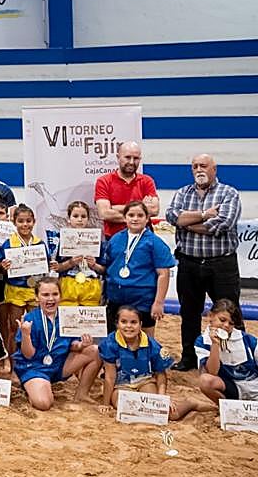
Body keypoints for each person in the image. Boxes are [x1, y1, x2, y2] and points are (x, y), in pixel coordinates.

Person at [164, 153, 243, 371]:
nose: (199, 169)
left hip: (221, 265)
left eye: (204, 166)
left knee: (230, 312)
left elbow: (222, 224)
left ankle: (236, 358)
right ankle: (189, 358)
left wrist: (187, 223)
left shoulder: (228, 193)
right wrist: (204, 214)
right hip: (188, 264)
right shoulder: (183, 192)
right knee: (188, 313)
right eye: (195, 166)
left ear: (214, 169)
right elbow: (172, 217)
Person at [13, 278, 102, 410]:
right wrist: (25, 334)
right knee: (44, 404)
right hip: (35, 368)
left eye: (55, 294)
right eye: (45, 295)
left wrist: (82, 344)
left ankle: (81, 394)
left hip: (58, 365)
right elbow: (28, 355)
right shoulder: (29, 319)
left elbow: (73, 345)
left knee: (95, 350)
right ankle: (33, 388)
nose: (51, 299)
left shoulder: (67, 316)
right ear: (37, 297)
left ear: (61, 296)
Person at [98, 305, 197, 420]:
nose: (129, 326)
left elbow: (160, 374)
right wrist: (105, 403)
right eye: (124, 322)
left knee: (162, 413)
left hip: (145, 382)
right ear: (117, 324)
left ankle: (191, 403)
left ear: (140, 324)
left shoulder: (152, 344)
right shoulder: (109, 343)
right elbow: (110, 377)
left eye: (133, 322)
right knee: (130, 410)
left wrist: (162, 399)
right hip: (121, 385)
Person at [103, 201, 173, 339]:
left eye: (140, 215)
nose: (135, 219)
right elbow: (107, 267)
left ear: (147, 219)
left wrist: (158, 303)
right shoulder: (115, 239)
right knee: (114, 339)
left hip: (143, 300)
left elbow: (163, 274)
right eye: (131, 215)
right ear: (125, 218)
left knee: (145, 340)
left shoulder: (155, 242)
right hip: (116, 298)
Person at [0, 203, 50, 354]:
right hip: (15, 290)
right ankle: (12, 361)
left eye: (28, 221)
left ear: (34, 222)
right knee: (14, 327)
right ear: (14, 222)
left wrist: (50, 264)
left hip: (34, 290)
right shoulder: (8, 244)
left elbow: (45, 266)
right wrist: (3, 266)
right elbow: (0, 269)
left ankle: (34, 357)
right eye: (20, 221)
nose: (25, 224)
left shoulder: (39, 243)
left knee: (36, 326)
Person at [195, 298, 258, 404]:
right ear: (210, 316)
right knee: (205, 381)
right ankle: (228, 407)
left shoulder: (246, 339)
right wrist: (215, 345)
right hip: (232, 387)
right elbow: (212, 372)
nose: (226, 326)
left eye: (231, 323)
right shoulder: (202, 342)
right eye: (222, 320)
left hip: (254, 385)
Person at [94, 142, 159, 239]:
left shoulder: (147, 181)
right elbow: (105, 213)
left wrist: (115, 208)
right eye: (128, 157)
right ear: (118, 157)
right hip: (114, 238)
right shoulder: (104, 181)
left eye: (136, 158)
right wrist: (141, 208)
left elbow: (154, 210)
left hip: (144, 238)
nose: (132, 162)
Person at [53, 201, 105, 307]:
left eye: (83, 216)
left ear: (88, 219)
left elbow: (103, 270)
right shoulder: (62, 240)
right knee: (68, 315)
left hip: (90, 284)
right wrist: (71, 262)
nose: (80, 219)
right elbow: (57, 268)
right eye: (75, 216)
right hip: (68, 284)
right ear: (69, 218)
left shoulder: (96, 241)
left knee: (89, 316)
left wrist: (94, 265)